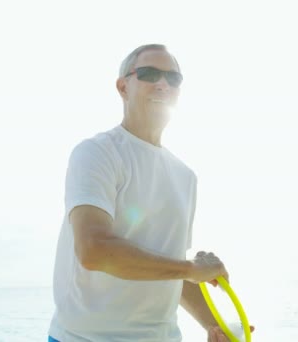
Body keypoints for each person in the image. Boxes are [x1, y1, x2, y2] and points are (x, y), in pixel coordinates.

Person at [48, 44, 254, 342]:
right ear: (123, 87)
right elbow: (93, 250)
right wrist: (189, 268)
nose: (162, 84)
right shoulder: (96, 153)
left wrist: (218, 327)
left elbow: (172, 273)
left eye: (173, 78)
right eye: (149, 74)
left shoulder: (186, 176)